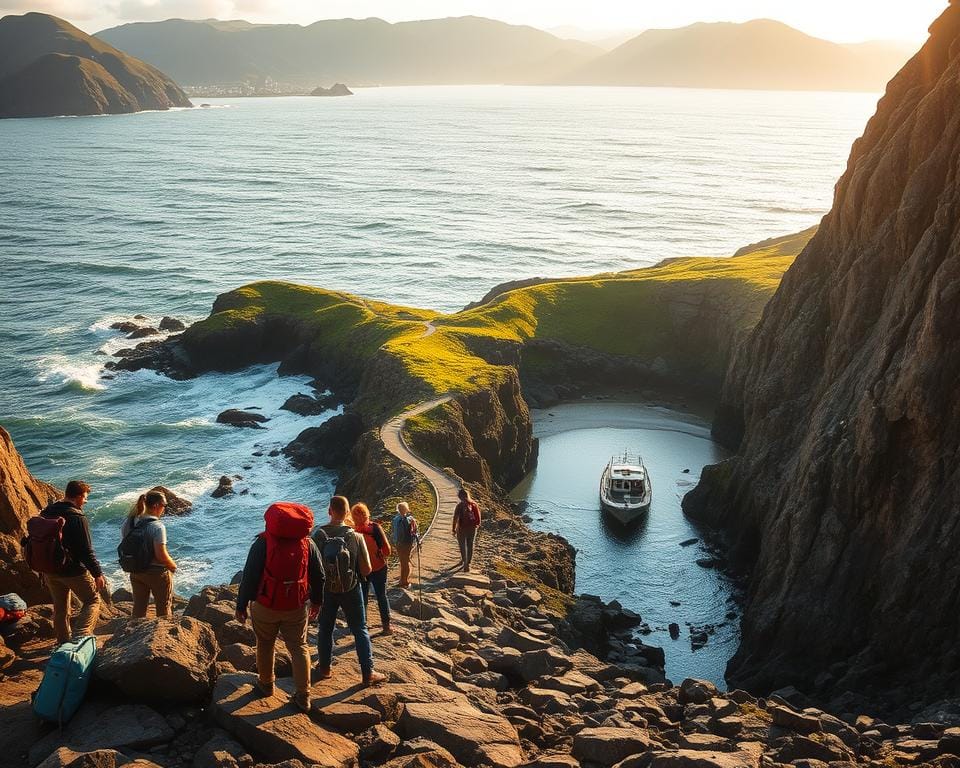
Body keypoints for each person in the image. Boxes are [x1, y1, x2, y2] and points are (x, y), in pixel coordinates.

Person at [235, 502, 323, 712]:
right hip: (296, 605)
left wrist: (241, 605)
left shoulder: (262, 543)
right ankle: (303, 696)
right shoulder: (308, 544)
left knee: (265, 643)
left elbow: (249, 577)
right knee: (299, 647)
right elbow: (319, 576)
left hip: (265, 605)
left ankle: (266, 684)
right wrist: (317, 602)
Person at [313, 496, 386, 687]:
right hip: (351, 588)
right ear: (347, 514)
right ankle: (367, 673)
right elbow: (366, 570)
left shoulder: (318, 535)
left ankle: (325, 668)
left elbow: (311, 567)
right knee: (360, 629)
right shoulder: (355, 536)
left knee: (325, 629)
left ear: (329, 511)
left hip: (326, 590)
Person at [36, 480, 105, 645]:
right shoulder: (76, 517)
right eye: (85, 498)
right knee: (93, 601)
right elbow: (86, 551)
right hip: (72, 571)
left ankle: (63, 645)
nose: (85, 502)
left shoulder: (47, 512)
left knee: (60, 609)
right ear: (79, 496)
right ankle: (80, 638)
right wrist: (98, 574)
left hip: (49, 569)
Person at [121, 489, 177, 618]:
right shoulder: (157, 526)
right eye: (164, 506)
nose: (164, 509)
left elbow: (125, 545)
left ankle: (133, 634)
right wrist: (172, 566)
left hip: (135, 571)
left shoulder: (129, 522)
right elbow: (160, 555)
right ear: (156, 505)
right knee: (164, 608)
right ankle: (163, 635)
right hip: (156, 573)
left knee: (139, 607)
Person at [351, 502, 392, 636]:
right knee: (381, 596)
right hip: (379, 567)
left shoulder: (353, 532)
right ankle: (386, 627)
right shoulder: (375, 528)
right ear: (366, 513)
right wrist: (379, 555)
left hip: (362, 570)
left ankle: (362, 626)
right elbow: (387, 550)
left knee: (362, 597)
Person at [452, 488, 482, 573]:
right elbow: (478, 517)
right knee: (470, 545)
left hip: (462, 528)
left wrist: (453, 528)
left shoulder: (459, 506)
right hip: (472, 528)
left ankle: (464, 563)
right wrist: (477, 525)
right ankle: (468, 563)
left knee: (462, 546)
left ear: (460, 496)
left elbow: (455, 518)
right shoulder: (474, 504)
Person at [390, 501, 419, 588]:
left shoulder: (396, 520)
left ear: (398, 509)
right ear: (406, 509)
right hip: (407, 543)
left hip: (400, 543)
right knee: (405, 561)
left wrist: (393, 543)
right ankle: (403, 579)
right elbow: (415, 531)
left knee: (403, 562)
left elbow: (394, 532)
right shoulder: (411, 519)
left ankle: (404, 581)